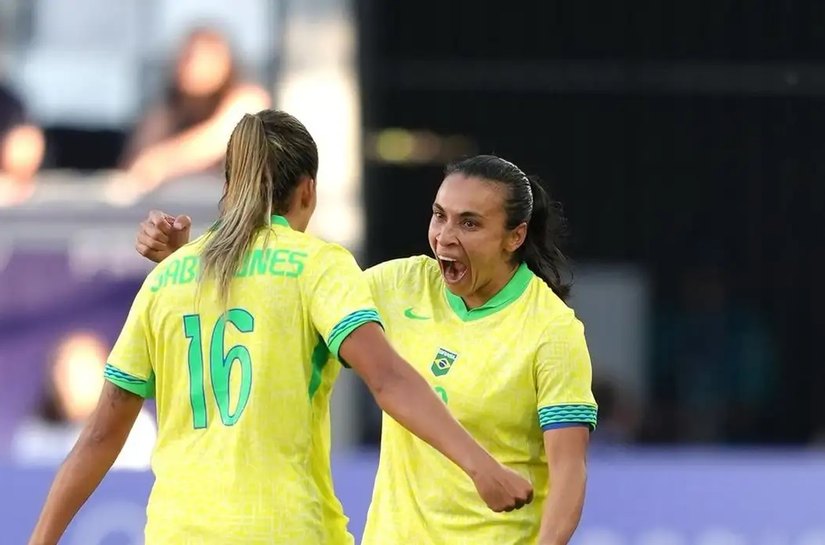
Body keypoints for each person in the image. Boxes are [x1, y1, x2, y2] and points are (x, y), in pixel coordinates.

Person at [27, 111, 532, 545]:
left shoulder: (168, 278)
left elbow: (98, 437)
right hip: (283, 529)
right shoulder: (317, 264)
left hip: (177, 532)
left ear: (228, 188)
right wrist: (480, 466)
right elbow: (388, 379)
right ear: (308, 190)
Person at [136, 154, 598, 544]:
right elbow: (284, 295)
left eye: (470, 223)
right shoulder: (398, 285)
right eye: (439, 215)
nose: (445, 236)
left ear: (514, 237)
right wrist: (190, 258)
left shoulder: (550, 331)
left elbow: (569, 472)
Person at [113, 27, 270, 198]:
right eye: (185, 57)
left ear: (225, 63)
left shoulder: (249, 99)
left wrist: (159, 164)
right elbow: (137, 164)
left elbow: (214, 140)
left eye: (201, 58)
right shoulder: (168, 109)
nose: (190, 66)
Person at [11, 330, 155, 470]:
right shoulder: (33, 438)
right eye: (62, 375)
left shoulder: (136, 429)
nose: (67, 386)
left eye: (79, 375)